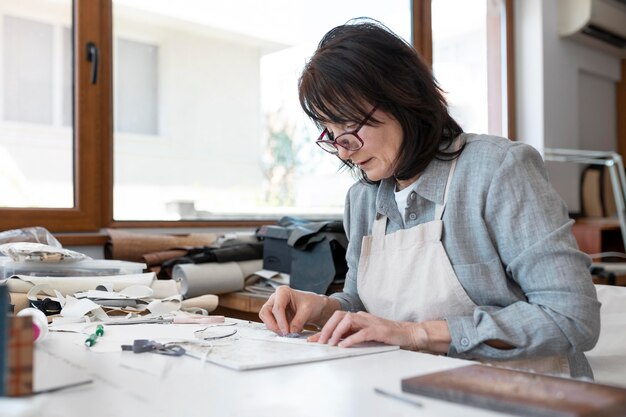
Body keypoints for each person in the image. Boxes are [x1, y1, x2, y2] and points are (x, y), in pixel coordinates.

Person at [258, 19, 601, 378]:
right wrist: (323, 308)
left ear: (402, 96)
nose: (344, 151)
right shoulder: (363, 199)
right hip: (415, 389)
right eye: (331, 132)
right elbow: (364, 305)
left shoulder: (497, 170)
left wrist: (417, 334)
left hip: (530, 392)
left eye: (349, 126)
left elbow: (571, 316)